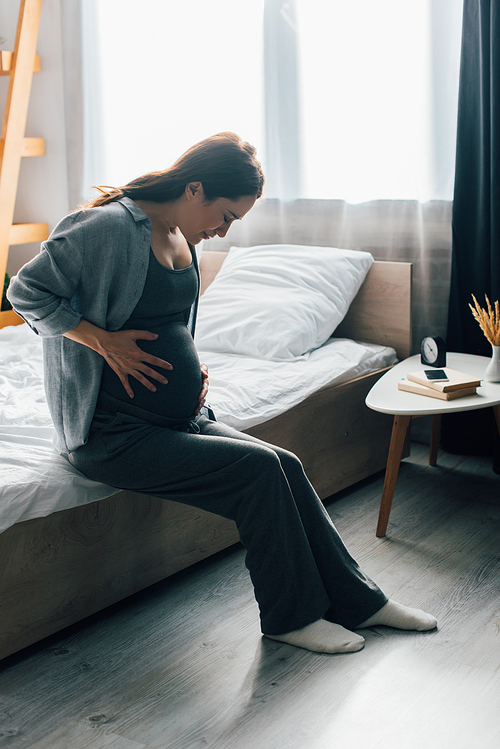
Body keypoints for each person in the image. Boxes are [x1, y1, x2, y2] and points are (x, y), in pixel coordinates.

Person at [7, 132, 437, 654]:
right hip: (110, 434)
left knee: (286, 464)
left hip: (177, 418)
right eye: (227, 216)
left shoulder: (179, 234)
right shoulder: (106, 228)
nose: (224, 230)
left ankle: (360, 602)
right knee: (258, 474)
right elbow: (25, 291)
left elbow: (166, 321)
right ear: (194, 189)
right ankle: (289, 616)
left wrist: (189, 367)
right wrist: (103, 343)